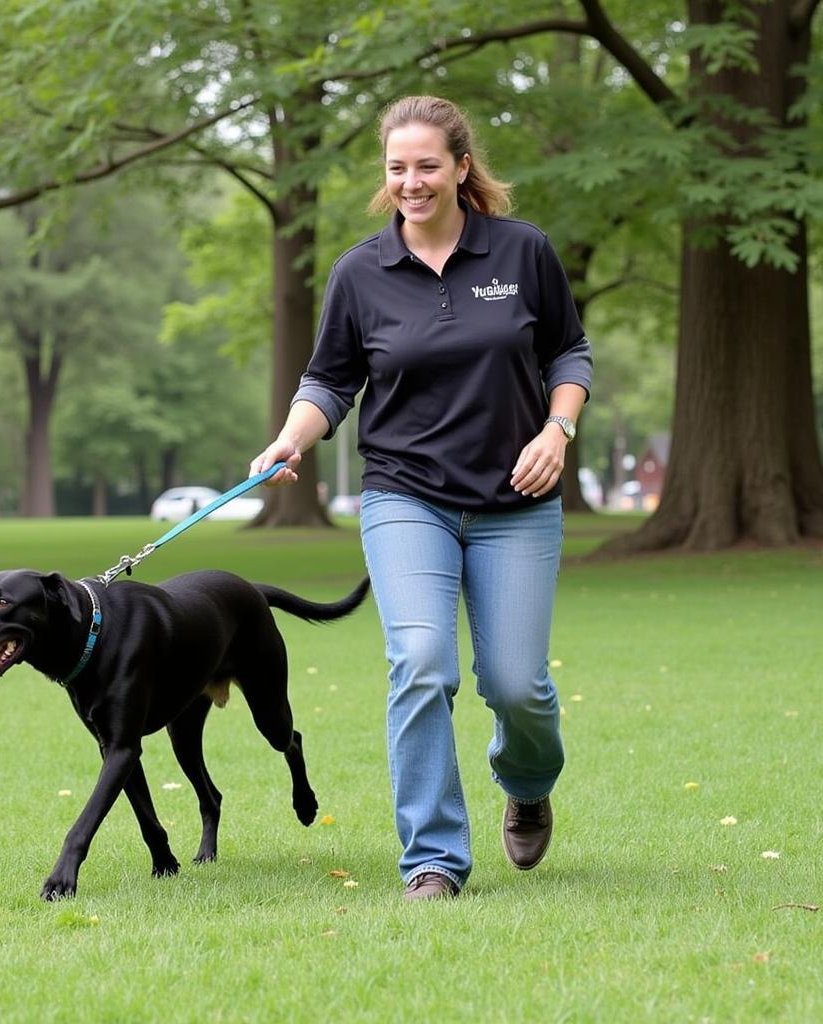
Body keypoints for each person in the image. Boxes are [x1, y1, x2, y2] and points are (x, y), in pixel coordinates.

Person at [250, 96, 592, 902]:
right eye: (397, 168)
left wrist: (557, 431)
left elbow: (569, 351)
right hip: (407, 497)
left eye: (428, 165)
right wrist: (291, 438)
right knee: (421, 663)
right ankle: (433, 860)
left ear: (462, 167)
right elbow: (329, 380)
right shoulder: (361, 272)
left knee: (517, 685)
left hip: (517, 501)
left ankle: (528, 783)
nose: (412, 181)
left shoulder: (522, 252)